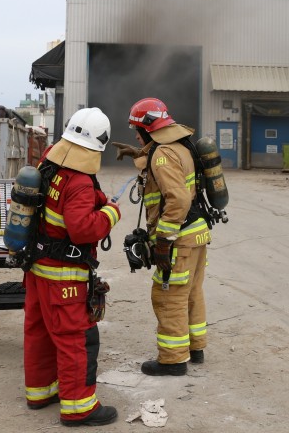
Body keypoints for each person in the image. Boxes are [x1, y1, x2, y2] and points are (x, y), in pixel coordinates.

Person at [23, 107, 120, 426]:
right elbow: (82, 229)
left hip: (37, 269)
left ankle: (41, 392)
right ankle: (79, 408)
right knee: (76, 339)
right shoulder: (79, 181)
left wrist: (99, 200)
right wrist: (111, 213)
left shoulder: (49, 162)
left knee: (39, 331)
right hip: (64, 276)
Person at [112, 97, 210, 376]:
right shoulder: (179, 146)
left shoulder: (162, 155)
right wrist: (138, 153)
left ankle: (172, 360)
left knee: (168, 296)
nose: (135, 135)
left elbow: (178, 199)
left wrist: (164, 241)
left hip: (179, 238)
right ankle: (195, 348)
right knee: (191, 292)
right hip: (197, 234)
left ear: (148, 128)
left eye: (137, 130)